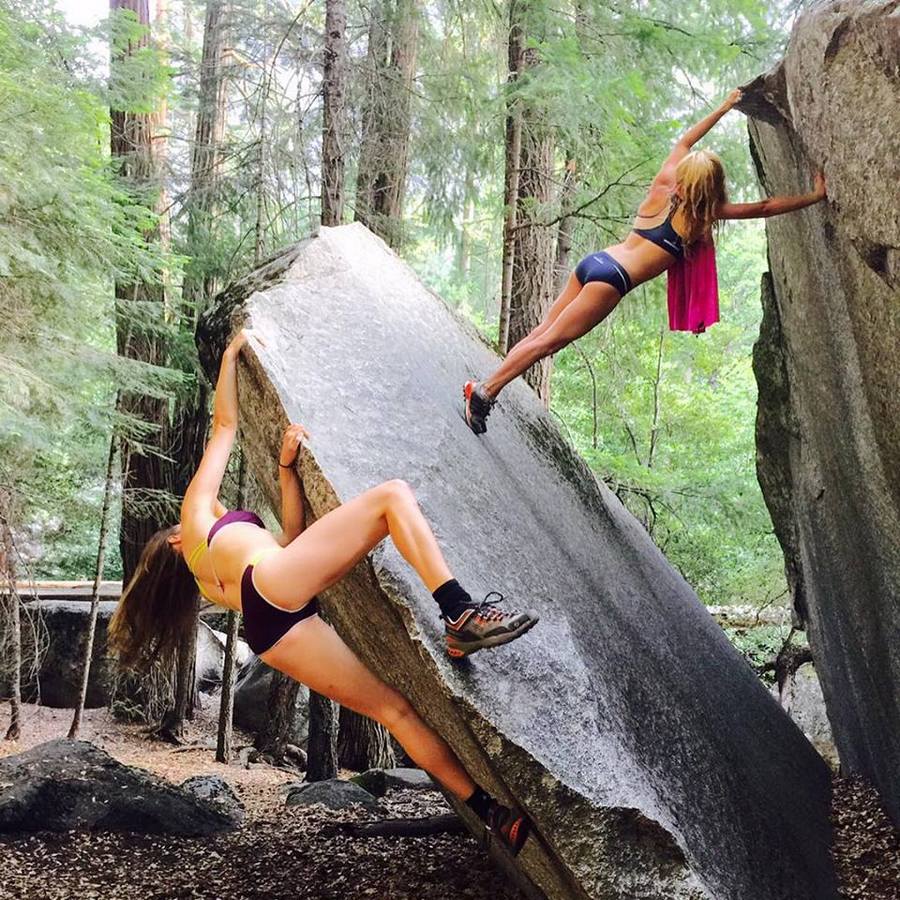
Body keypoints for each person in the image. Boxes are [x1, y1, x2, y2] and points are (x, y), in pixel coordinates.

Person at [108, 329, 538, 855]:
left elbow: (290, 541)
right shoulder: (194, 518)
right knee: (392, 497)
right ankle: (457, 613)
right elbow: (224, 426)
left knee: (393, 711)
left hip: (273, 626)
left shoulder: (206, 579)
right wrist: (229, 356)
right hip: (274, 586)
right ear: (173, 541)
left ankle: (490, 812)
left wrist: (287, 471)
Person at [463, 88, 828, 434]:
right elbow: (765, 207)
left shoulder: (663, 185)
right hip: (612, 281)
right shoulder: (703, 217)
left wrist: (724, 106)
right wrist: (814, 197)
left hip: (597, 260)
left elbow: (685, 142)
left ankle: (486, 385)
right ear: (711, 187)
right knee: (548, 343)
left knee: (543, 332)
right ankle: (485, 393)